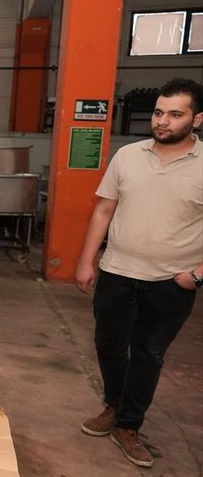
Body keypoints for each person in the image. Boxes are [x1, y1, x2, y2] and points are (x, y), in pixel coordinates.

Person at [75, 78, 202, 469]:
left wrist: (197, 275)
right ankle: (115, 404)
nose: (162, 121)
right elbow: (103, 210)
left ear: (197, 120)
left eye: (175, 114)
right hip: (117, 273)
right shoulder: (127, 156)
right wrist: (86, 260)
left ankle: (128, 424)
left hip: (171, 282)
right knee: (108, 345)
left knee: (149, 353)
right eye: (159, 113)